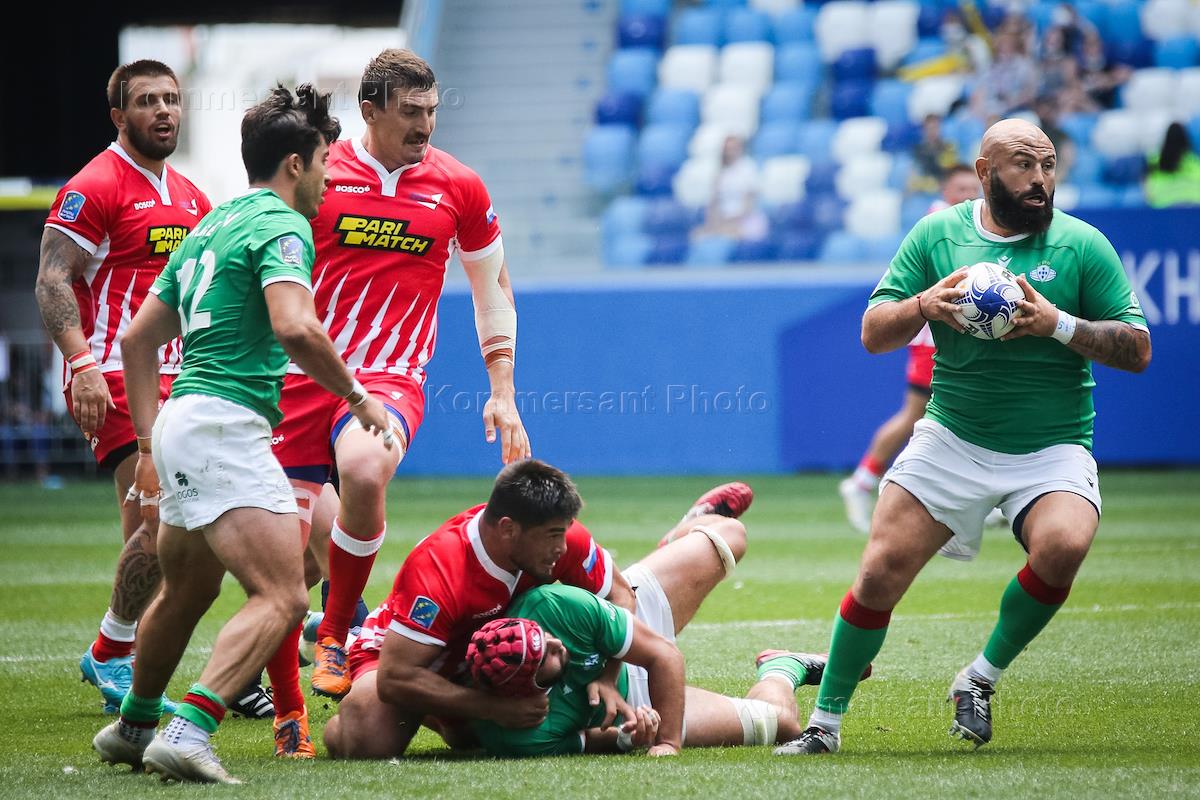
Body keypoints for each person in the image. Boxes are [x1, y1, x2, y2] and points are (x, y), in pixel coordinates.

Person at [779, 118, 1150, 756]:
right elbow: (873, 333)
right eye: (1023, 166)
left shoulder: (1082, 245)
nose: (1040, 179)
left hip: (1052, 445)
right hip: (953, 438)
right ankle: (824, 726)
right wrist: (923, 305)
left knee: (1064, 545)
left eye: (1048, 165)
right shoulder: (936, 235)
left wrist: (1057, 325)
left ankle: (978, 677)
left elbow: (1138, 350)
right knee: (879, 572)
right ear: (984, 172)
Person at [91, 84, 393, 783]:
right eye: (324, 162)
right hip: (225, 426)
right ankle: (190, 730)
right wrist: (357, 397)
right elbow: (295, 327)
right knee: (285, 597)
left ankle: (135, 725)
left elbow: (137, 340)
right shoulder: (282, 225)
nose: (329, 178)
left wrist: (147, 445)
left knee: (188, 591)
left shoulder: (212, 223)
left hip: (180, 421)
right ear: (295, 164)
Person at [263, 48, 531, 704]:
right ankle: (283, 713)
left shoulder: (459, 186)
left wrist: (502, 392)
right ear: (369, 110)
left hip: (389, 377)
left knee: (363, 470)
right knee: (279, 566)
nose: (425, 125)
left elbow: (492, 290)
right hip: (298, 378)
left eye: (432, 111)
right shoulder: (318, 173)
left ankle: (334, 634)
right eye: (410, 111)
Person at [33, 60, 273, 718]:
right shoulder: (94, 185)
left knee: (191, 522)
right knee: (158, 518)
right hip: (113, 374)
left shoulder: (192, 196)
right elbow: (52, 280)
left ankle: (199, 654)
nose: (163, 111)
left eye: (171, 99)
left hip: (184, 380)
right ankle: (116, 652)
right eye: (146, 101)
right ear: (119, 116)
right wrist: (82, 364)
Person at [322, 462, 752, 759]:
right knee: (368, 741)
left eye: (565, 534)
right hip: (411, 658)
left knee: (730, 534)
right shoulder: (440, 570)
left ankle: (686, 530)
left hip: (526, 662)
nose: (563, 548)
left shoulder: (559, 540)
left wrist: (607, 677)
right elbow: (397, 677)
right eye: (552, 537)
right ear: (508, 530)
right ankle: (348, 640)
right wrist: (488, 709)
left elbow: (623, 597)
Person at [467, 498, 865, 757]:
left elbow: (664, 655)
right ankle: (783, 668)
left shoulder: (550, 607)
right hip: (640, 700)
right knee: (782, 724)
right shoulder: (517, 736)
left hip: (628, 625)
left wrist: (668, 743)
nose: (557, 645)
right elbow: (589, 741)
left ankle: (683, 532)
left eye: (546, 638)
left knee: (732, 534)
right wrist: (633, 734)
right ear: (527, 689)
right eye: (549, 657)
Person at [839, 164, 981, 534]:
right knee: (923, 415)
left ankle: (976, 496)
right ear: (945, 191)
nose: (968, 195)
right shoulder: (939, 224)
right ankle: (867, 481)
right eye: (961, 188)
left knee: (938, 414)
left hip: (954, 334)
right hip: (935, 339)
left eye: (973, 188)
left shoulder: (973, 223)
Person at [697, 135, 768, 242]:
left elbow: (748, 206)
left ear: (741, 149)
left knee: (729, 233)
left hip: (746, 220)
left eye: (733, 148)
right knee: (698, 234)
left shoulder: (748, 168)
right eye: (727, 149)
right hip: (723, 220)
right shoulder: (720, 172)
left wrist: (729, 221)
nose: (729, 152)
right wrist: (713, 223)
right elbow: (714, 202)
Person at [1145, 122, 1200, 208]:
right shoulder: (1195, 161)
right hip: (1193, 207)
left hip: (1163, 206)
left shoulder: (1153, 161)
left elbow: (1147, 191)